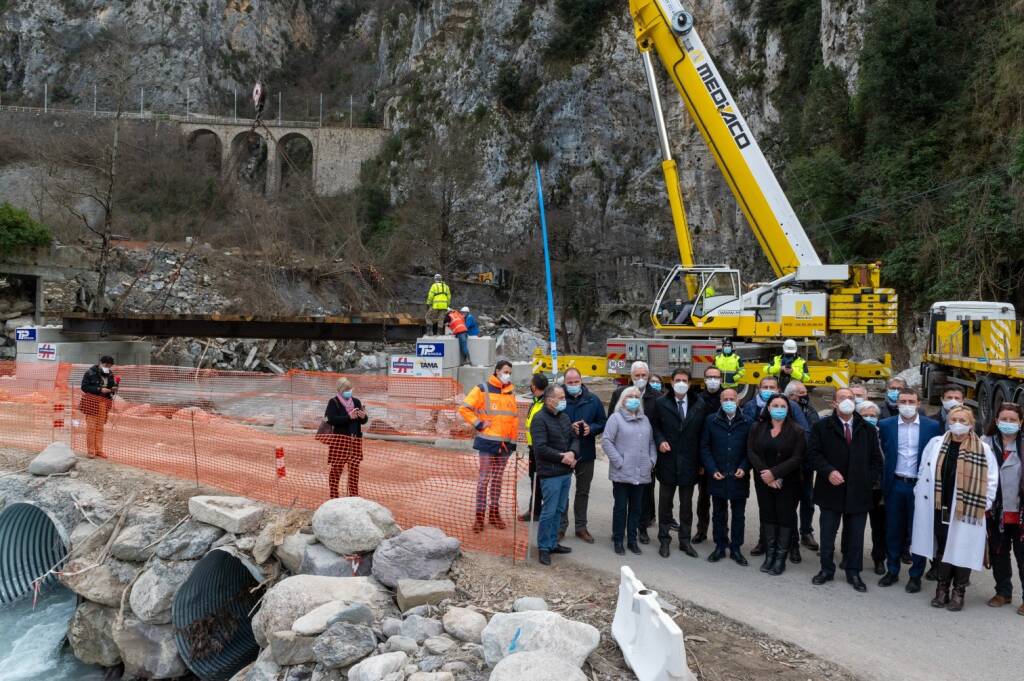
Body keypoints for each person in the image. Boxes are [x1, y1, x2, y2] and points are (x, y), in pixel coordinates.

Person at [912, 406, 998, 611]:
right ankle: (942, 589)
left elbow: (991, 480)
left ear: (971, 423)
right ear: (949, 421)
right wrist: (919, 490)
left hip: (967, 510)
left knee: (963, 549)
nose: (958, 423)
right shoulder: (936, 444)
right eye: (954, 419)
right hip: (940, 505)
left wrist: (983, 503)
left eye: (962, 420)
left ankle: (959, 591)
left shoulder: (983, 449)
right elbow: (924, 469)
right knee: (943, 548)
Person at [809, 387, 883, 593]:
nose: (848, 401)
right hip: (830, 490)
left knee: (856, 536)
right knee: (827, 534)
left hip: (859, 493)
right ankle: (826, 569)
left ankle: (853, 572)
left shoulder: (866, 429)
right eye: (843, 398)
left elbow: (876, 460)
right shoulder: (822, 427)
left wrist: (867, 480)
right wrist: (827, 471)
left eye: (851, 398)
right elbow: (814, 454)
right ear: (834, 403)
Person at [877, 388, 941, 593]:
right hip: (895, 484)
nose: (906, 404)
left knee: (919, 531)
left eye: (910, 401)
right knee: (893, 529)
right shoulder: (885, 425)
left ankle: (916, 575)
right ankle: (892, 570)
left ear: (918, 403)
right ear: (897, 403)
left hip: (920, 485)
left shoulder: (932, 426)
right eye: (902, 400)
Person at [651, 368, 708, 558]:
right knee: (665, 504)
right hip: (667, 460)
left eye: (684, 380)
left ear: (690, 383)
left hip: (690, 462)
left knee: (686, 506)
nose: (681, 383)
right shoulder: (661, 403)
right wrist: (660, 441)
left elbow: (702, 436)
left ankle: (685, 541)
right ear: (672, 382)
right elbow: (655, 427)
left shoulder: (699, 404)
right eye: (678, 380)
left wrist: (701, 462)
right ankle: (664, 540)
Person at [748, 394, 806, 575]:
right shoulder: (758, 427)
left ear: (788, 409)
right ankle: (770, 555)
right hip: (763, 479)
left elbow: (798, 457)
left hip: (788, 482)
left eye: (783, 405)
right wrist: (765, 473)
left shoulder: (797, 430)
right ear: (768, 407)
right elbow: (751, 451)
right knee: (767, 515)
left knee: (784, 517)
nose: (779, 408)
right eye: (775, 405)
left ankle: (780, 558)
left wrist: (775, 474)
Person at [458, 360, 519, 533]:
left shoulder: (511, 392)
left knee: (497, 480)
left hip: (505, 445)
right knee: (484, 480)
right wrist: (478, 423)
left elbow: (513, 419)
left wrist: (513, 443)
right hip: (487, 443)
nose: (508, 375)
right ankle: (479, 517)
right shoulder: (482, 388)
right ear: (497, 371)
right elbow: (464, 409)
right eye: (505, 371)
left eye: (510, 372)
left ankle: (494, 514)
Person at [609, 361, 661, 542]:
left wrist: (652, 460)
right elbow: (610, 431)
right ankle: (618, 534)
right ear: (631, 377)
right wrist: (618, 460)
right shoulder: (619, 394)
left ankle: (642, 529)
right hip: (624, 460)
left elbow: (657, 430)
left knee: (644, 498)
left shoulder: (657, 396)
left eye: (643, 376)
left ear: (648, 376)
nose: (640, 379)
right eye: (637, 376)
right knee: (621, 502)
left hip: (644, 458)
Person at [700, 387, 752, 565]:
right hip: (718, 475)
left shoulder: (748, 421)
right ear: (720, 402)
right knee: (718, 513)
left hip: (739, 477)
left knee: (739, 515)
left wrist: (744, 467)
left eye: (732, 399)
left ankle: (736, 548)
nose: (729, 402)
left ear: (738, 401)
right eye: (725, 399)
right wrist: (712, 468)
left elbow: (750, 450)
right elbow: (705, 447)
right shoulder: (711, 421)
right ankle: (720, 546)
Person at [602, 386, 658, 555]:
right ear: (623, 399)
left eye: (636, 396)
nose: (633, 398)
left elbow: (651, 443)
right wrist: (620, 462)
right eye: (630, 396)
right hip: (621, 473)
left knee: (636, 509)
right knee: (620, 508)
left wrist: (651, 461)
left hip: (641, 473)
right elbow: (606, 441)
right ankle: (618, 539)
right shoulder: (615, 418)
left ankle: (632, 540)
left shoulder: (645, 420)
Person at [981, 403, 1024, 613]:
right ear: (996, 421)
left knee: (1023, 556)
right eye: (1004, 419)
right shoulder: (985, 443)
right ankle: (1003, 592)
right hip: (996, 511)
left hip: (1020, 512)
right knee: (999, 553)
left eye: (1012, 420)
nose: (1008, 423)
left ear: (1020, 422)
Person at [530, 385, 578, 566]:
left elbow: (574, 438)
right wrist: (562, 457)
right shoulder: (539, 419)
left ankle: (552, 543)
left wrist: (573, 453)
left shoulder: (564, 417)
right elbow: (540, 449)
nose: (563, 400)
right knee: (549, 511)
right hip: (550, 473)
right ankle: (543, 547)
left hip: (566, 472)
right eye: (560, 397)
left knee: (559, 509)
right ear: (550, 400)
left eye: (563, 397)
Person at [559, 368, 607, 543]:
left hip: (586, 452)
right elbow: (551, 420)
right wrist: (568, 428)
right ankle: (561, 527)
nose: (573, 385)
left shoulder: (593, 400)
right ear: (564, 383)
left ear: (581, 380)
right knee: (562, 491)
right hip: (564, 453)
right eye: (570, 382)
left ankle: (581, 527)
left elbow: (603, 422)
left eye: (576, 381)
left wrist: (591, 429)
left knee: (583, 491)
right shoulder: (559, 400)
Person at [784, 380, 821, 558]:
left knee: (808, 499)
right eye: (801, 393)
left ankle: (806, 531)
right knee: (789, 501)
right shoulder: (782, 408)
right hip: (787, 464)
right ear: (791, 395)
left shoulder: (810, 410)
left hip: (806, 463)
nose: (805, 396)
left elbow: (814, 432)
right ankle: (791, 538)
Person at [855, 400, 888, 576]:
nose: (869, 418)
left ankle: (879, 559)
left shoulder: (883, 434)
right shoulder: (853, 433)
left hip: (879, 489)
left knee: (879, 527)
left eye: (873, 416)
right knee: (855, 526)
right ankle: (852, 557)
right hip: (859, 488)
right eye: (865, 415)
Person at [324, 378, 369, 498]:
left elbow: (363, 421)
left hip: (355, 440)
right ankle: (334, 495)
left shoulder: (357, 401)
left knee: (354, 470)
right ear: (339, 390)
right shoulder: (333, 402)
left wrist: (364, 417)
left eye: (350, 389)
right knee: (336, 469)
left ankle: (354, 496)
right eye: (346, 389)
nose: (348, 391)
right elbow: (331, 419)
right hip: (340, 441)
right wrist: (348, 417)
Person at [519, 373, 549, 522]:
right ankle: (535, 510)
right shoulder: (536, 402)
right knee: (534, 480)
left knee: (541, 481)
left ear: (535, 386)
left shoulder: (545, 404)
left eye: (531, 384)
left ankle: (538, 510)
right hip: (533, 449)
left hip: (542, 449)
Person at [80, 355, 118, 459]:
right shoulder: (90, 372)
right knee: (91, 427)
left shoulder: (110, 374)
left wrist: (114, 388)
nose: (107, 367)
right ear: (101, 363)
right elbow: (84, 387)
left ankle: (99, 450)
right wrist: (99, 389)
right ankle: (91, 450)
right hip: (91, 402)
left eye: (109, 366)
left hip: (103, 403)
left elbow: (111, 386)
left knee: (100, 428)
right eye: (106, 365)